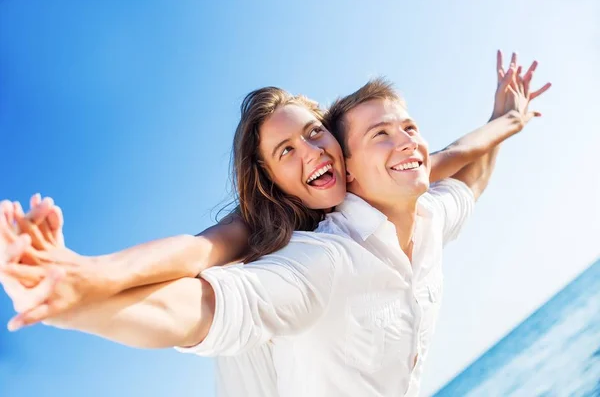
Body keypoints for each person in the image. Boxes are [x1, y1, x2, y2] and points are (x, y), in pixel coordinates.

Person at [0, 52, 550, 396]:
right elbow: (195, 292)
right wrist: (80, 285)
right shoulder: (289, 248)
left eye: (314, 132)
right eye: (286, 151)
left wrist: (507, 121)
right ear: (270, 181)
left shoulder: (409, 199)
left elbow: (457, 167)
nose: (312, 152)